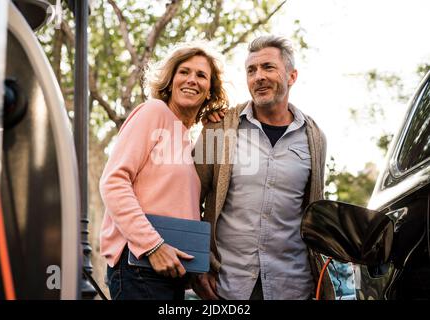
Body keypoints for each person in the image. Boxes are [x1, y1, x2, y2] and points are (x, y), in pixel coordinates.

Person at [192, 35, 334, 300]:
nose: (258, 77)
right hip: (229, 286)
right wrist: (197, 269)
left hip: (292, 287)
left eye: (268, 67)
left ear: (292, 76)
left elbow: (313, 210)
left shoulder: (314, 138)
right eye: (251, 70)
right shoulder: (219, 128)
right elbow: (189, 200)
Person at [99, 42, 228, 300]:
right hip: (139, 264)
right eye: (184, 72)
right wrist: (152, 246)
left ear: (210, 92)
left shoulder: (188, 141)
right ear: (170, 80)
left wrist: (216, 127)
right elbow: (113, 182)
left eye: (201, 75)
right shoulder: (154, 112)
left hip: (172, 271)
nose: (191, 80)